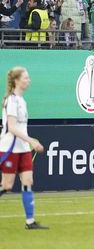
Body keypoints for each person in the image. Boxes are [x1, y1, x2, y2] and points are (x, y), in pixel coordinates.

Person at [1, 67, 48, 229]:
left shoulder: (22, 101)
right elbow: (12, 128)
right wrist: (32, 141)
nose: (28, 80)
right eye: (26, 78)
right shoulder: (11, 101)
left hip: (23, 149)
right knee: (7, 186)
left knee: (28, 181)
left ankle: (30, 221)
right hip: (10, 148)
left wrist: (28, 143)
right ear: (16, 81)